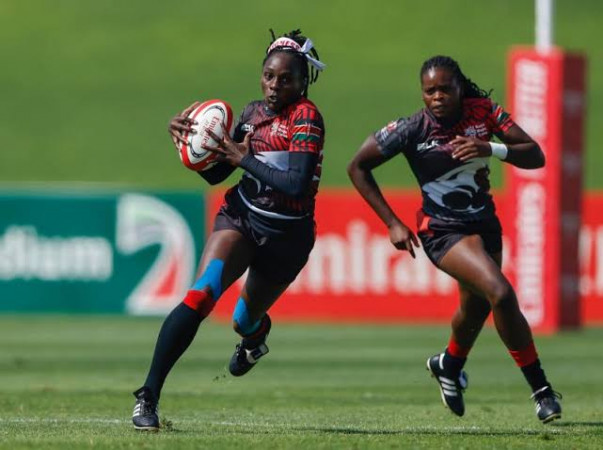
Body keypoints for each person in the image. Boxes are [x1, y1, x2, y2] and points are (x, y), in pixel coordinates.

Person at [347, 55, 562, 424]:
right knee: (501, 293)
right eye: (430, 91)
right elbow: (357, 167)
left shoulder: (484, 113)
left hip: (485, 225)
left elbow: (536, 155)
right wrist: (392, 222)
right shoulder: (411, 128)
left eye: (445, 88)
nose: (437, 97)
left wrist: (490, 148)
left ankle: (449, 364)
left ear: (460, 87)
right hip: (442, 231)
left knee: (476, 308)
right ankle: (542, 391)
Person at [131, 29, 326, 431]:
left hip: (288, 237)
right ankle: (147, 397)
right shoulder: (252, 114)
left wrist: (243, 157)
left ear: (303, 80)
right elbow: (220, 171)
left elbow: (296, 184)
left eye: (286, 78)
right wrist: (190, 146)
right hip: (242, 217)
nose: (275, 85)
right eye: (269, 75)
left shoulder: (307, 118)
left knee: (243, 319)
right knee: (202, 293)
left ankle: (254, 337)